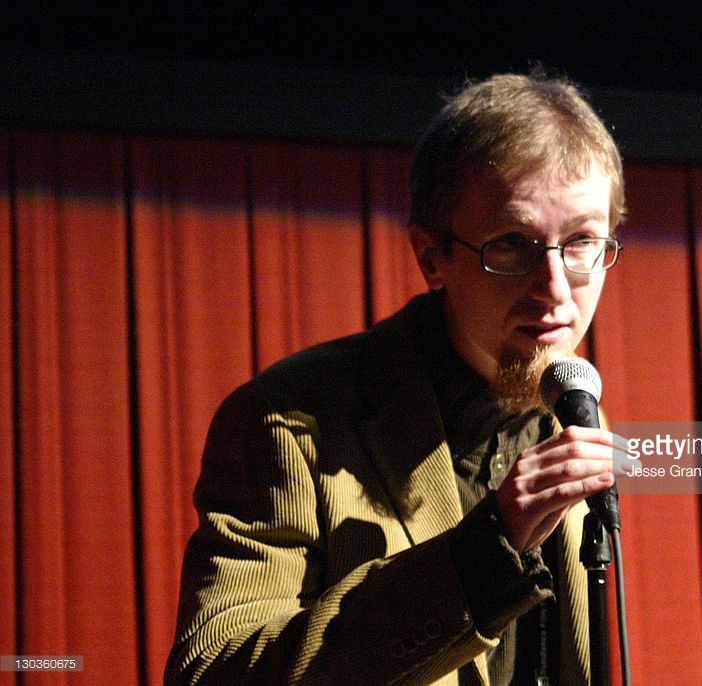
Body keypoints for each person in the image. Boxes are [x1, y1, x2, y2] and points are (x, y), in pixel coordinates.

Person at [165, 71, 626, 686]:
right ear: (431, 256)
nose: (556, 290)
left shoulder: (572, 411)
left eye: (582, 241)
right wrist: (480, 557)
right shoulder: (287, 424)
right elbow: (212, 674)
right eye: (513, 245)